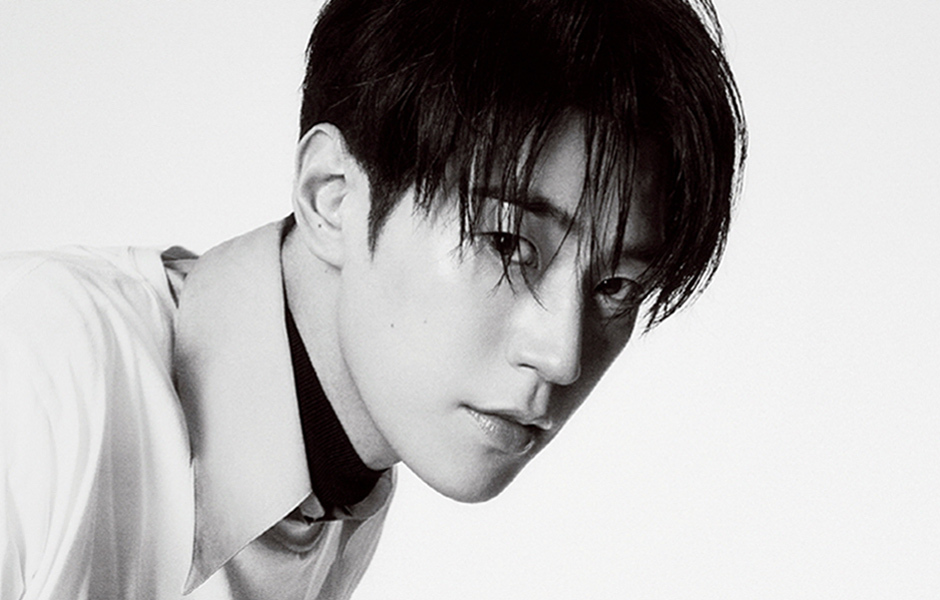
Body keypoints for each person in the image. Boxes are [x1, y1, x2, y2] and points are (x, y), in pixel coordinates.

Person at [0, 0, 745, 598]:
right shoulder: (36, 370)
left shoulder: (340, 485)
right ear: (331, 197)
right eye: (506, 242)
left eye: (615, 287)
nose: (562, 355)